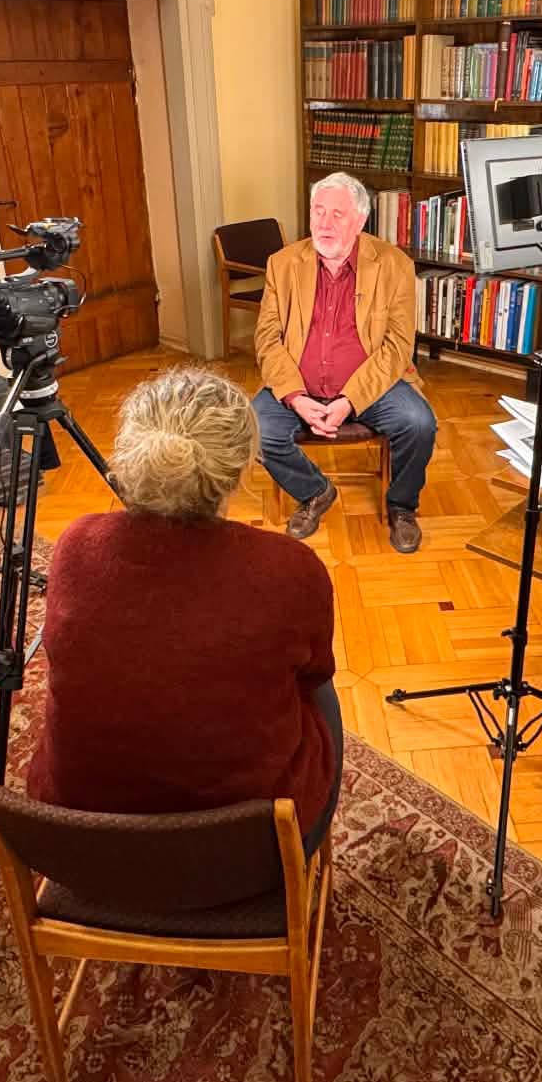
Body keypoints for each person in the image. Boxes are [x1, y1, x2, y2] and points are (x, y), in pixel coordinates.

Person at [27, 364, 342, 857]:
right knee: (324, 694)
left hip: (82, 842)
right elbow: (315, 674)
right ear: (240, 467)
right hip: (250, 852)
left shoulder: (76, 544)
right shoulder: (290, 568)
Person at [253, 171, 438, 554]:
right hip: (298, 383)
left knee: (419, 424)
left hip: (372, 385)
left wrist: (349, 401)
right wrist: (295, 397)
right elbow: (267, 340)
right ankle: (315, 491)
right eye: (318, 211)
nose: (324, 223)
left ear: (360, 220)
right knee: (253, 428)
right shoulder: (282, 264)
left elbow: (397, 346)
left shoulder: (394, 265)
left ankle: (402, 506)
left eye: (337, 214)